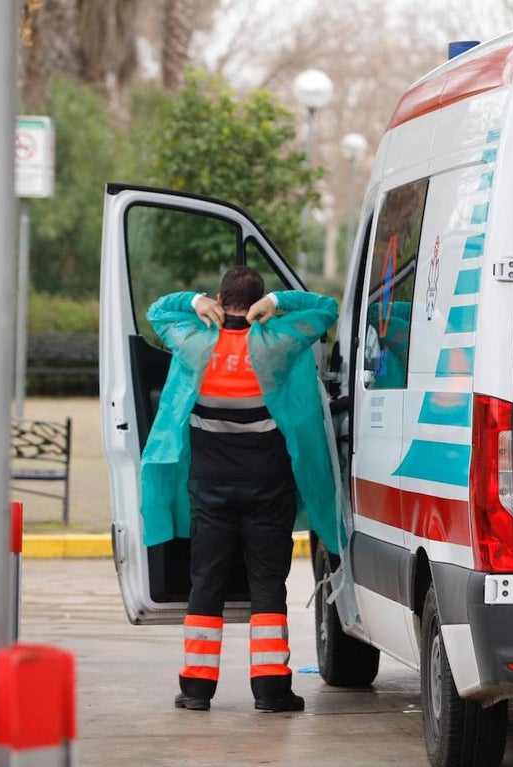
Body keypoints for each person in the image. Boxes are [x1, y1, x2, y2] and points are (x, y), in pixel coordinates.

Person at [139, 265, 339, 713]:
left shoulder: (192, 342)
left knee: (205, 582)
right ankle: (270, 690)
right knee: (267, 583)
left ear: (219, 297)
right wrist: (280, 304)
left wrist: (193, 302)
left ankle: (195, 690)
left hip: (209, 487)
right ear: (257, 302)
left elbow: (156, 311)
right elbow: (326, 309)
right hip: (269, 487)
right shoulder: (278, 343)